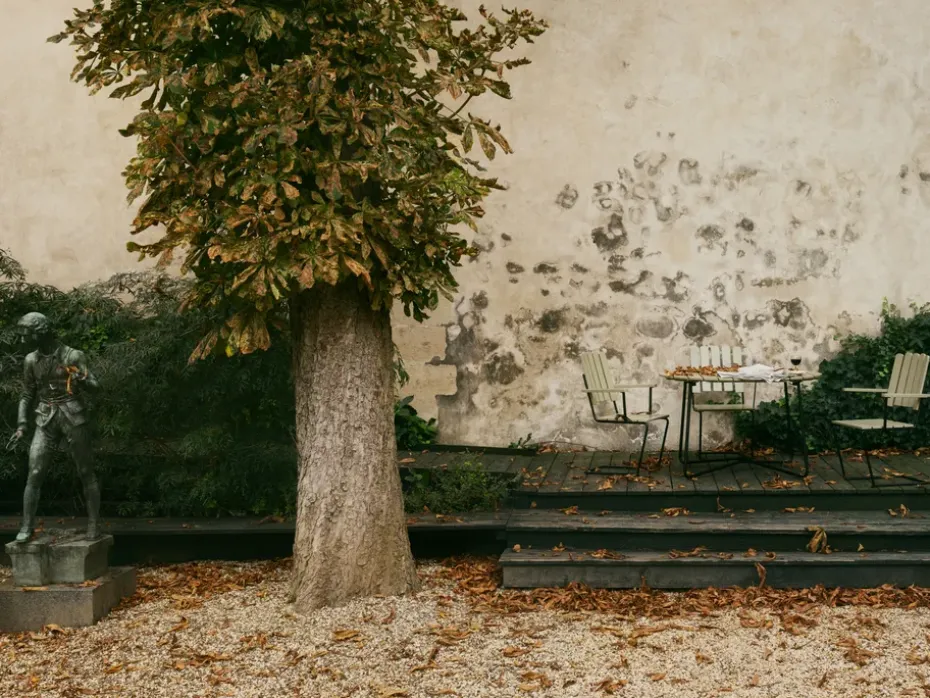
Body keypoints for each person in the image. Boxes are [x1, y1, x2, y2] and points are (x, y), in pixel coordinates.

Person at [9, 312, 100, 542]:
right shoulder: (30, 360)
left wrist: (82, 380)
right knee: (35, 471)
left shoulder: (73, 355)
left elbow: (96, 386)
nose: (22, 341)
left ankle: (93, 524)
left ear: (40, 333)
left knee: (85, 471)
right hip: (45, 416)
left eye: (25, 335)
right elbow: (27, 393)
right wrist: (21, 424)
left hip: (73, 414)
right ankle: (27, 526)